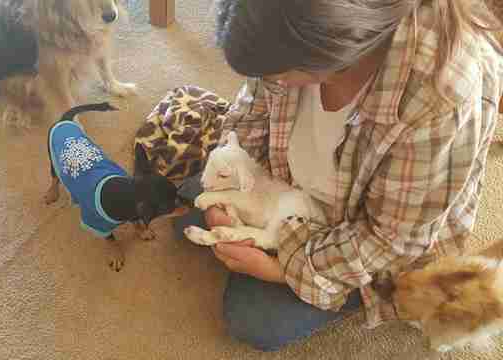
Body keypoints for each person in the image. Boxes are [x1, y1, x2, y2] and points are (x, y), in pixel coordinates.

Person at [174, 0, 503, 352]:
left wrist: (283, 268)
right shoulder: (283, 28)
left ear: (329, 50)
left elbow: (391, 241)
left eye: (279, 75)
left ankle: (337, 289)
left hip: (360, 233)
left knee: (252, 320)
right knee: (194, 198)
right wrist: (234, 182)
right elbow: (251, 110)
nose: (272, 83)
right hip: (284, 187)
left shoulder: (441, 94)